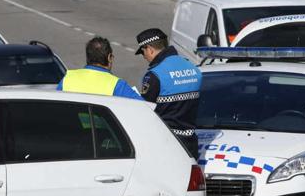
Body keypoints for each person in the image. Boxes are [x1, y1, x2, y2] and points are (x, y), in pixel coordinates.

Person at [136, 28, 202, 159]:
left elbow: (144, 111)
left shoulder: (155, 75)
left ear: (150, 49)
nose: (144, 57)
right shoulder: (193, 69)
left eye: (143, 52)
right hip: (190, 143)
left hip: (166, 143)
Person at [58, 36, 143, 100]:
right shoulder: (117, 85)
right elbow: (145, 108)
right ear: (110, 57)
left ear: (88, 57)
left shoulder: (68, 78)